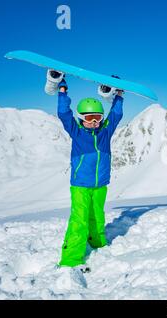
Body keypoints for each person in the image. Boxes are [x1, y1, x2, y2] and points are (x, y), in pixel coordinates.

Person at [56, 78, 123, 268]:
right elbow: (63, 113)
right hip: (80, 186)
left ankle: (98, 243)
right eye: (88, 118)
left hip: (100, 185)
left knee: (97, 216)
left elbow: (116, 115)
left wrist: (119, 95)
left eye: (97, 118)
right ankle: (70, 259)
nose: (94, 122)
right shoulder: (77, 133)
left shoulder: (105, 133)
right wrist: (62, 90)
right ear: (81, 118)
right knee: (79, 220)